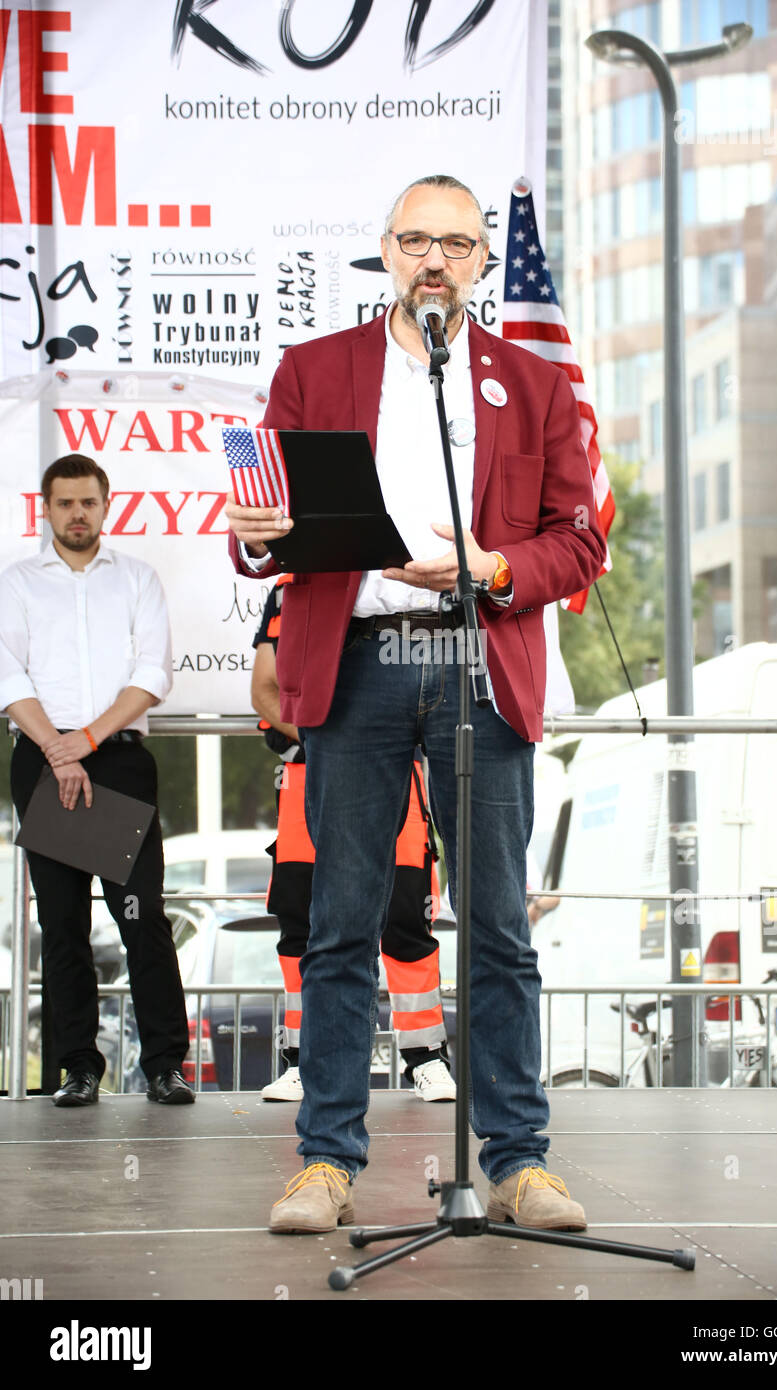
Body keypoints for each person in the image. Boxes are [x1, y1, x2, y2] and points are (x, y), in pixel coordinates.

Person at [225, 174, 606, 1234]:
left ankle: (519, 1160)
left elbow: (580, 539)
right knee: (341, 918)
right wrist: (258, 531)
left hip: (479, 658)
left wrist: (491, 566)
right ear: (386, 253)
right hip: (355, 662)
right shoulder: (313, 371)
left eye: (455, 243)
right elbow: (263, 533)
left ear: (481, 261)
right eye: (414, 240)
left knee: (494, 924)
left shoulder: (530, 386)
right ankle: (326, 1162)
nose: (433, 259)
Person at [0, 454, 192, 1106]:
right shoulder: (18, 582)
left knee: (142, 919)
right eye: (65, 503)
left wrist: (83, 741)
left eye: (88, 502)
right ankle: (76, 1068)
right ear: (45, 509)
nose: (77, 514)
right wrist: (57, 749)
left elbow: (152, 673)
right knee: (63, 926)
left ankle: (166, 1064)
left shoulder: (136, 580)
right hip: (41, 760)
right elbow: (8, 676)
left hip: (117, 760)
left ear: (106, 506)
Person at [251, 575, 455, 1103]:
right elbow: (265, 691)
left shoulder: (398, 584)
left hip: (397, 772)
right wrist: (336, 741)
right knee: (305, 920)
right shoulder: (288, 591)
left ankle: (427, 1058)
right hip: (308, 771)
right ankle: (302, 1061)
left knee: (407, 915)